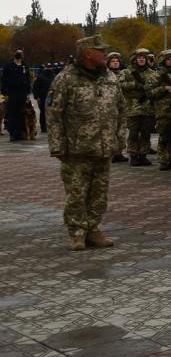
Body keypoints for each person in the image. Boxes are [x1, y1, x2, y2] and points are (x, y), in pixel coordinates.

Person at [46, 36, 125, 250]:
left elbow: (121, 109)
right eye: (101, 50)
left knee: (99, 193)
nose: (105, 54)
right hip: (77, 149)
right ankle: (77, 232)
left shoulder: (110, 77)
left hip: (104, 147)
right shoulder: (66, 78)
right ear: (88, 53)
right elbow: (53, 114)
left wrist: (120, 138)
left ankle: (94, 229)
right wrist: (57, 146)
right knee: (77, 193)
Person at [119, 48, 157, 166]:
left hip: (147, 107)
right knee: (133, 133)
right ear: (134, 59)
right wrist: (135, 85)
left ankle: (143, 155)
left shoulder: (152, 73)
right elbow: (119, 84)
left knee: (146, 133)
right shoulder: (126, 72)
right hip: (132, 107)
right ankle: (133, 155)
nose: (141, 60)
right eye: (139, 58)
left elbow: (156, 86)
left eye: (143, 58)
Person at [3, 49, 31, 141]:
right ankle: (13, 133)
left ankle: (21, 133)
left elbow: (28, 80)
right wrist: (5, 93)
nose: (19, 54)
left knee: (22, 113)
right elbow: (4, 80)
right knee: (12, 113)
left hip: (23, 92)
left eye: (21, 53)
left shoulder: (25, 66)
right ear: (14, 54)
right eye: (18, 53)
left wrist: (28, 92)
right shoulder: (8, 66)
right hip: (12, 92)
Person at [32, 64, 55, 135]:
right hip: (43, 97)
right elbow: (35, 87)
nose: (49, 69)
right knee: (43, 112)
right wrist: (36, 96)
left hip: (51, 97)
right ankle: (44, 127)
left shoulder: (54, 77)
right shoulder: (40, 77)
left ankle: (49, 126)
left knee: (51, 112)